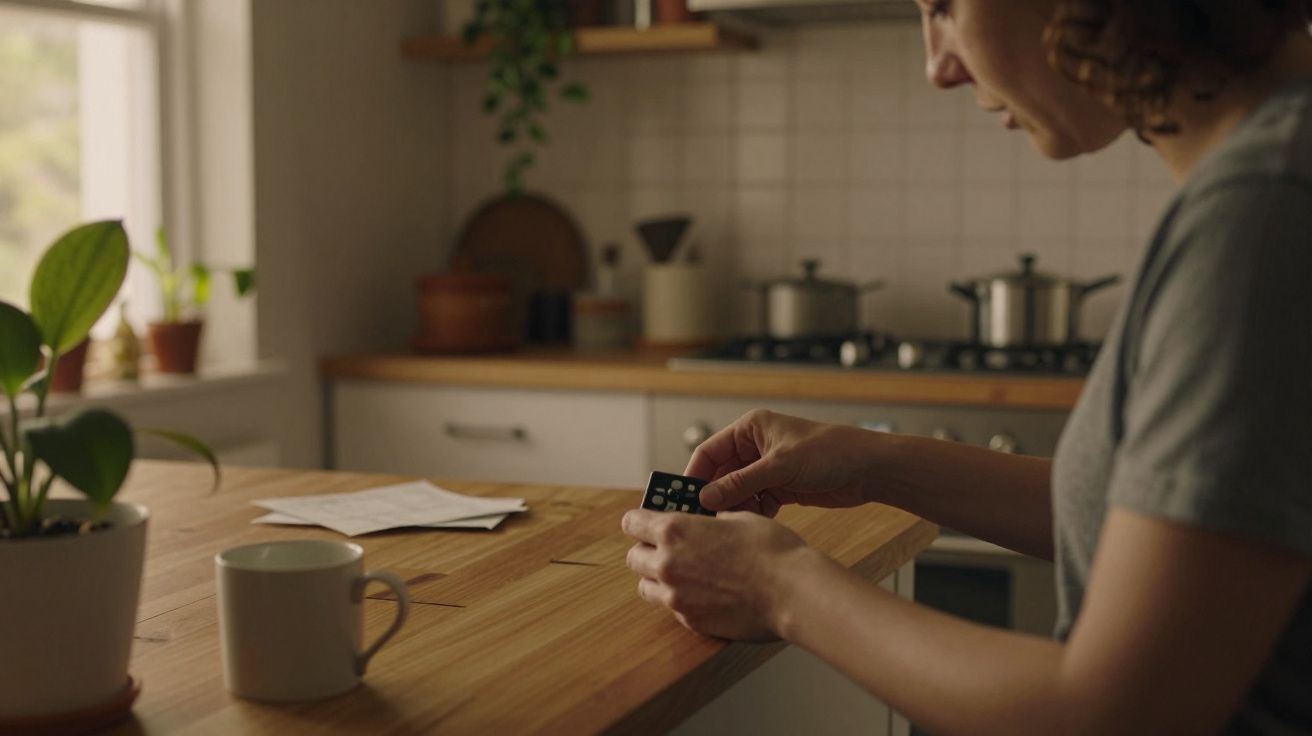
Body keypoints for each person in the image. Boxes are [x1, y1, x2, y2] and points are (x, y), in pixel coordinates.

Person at [621, 1, 1312, 733]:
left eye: (946, 6)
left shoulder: (1263, 214)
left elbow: (1114, 713)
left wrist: (781, 587)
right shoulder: (1270, 170)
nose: (938, 66)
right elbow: (1165, 535)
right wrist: (875, 462)